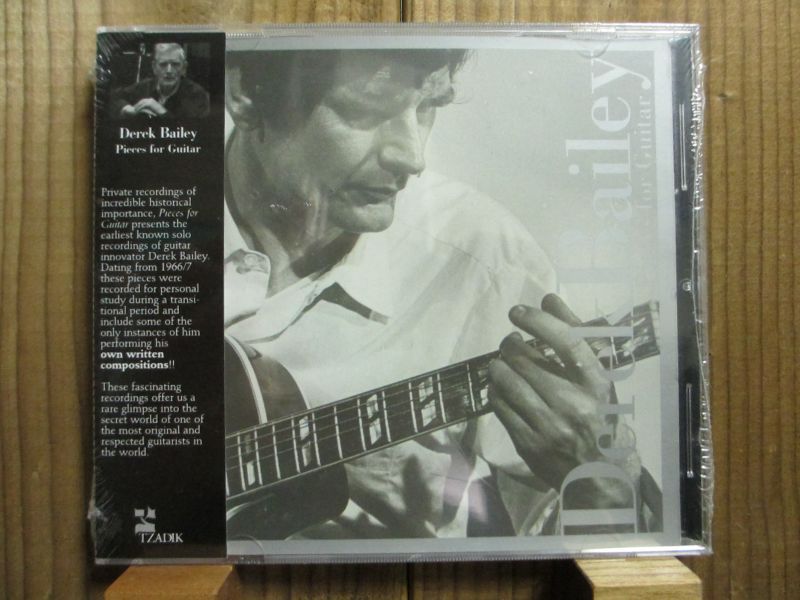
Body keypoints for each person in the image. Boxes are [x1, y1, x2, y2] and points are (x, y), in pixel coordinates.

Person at [223, 49, 645, 540]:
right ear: (246, 94)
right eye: (366, 109)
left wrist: (604, 486)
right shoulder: (152, 217)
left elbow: (591, 533)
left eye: (428, 106)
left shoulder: (487, 263)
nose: (413, 156)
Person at [110, 43, 209, 119]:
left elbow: (191, 131)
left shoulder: (197, 95)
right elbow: (114, 98)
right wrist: (127, 109)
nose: (169, 71)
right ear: (154, 67)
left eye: (175, 64)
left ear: (184, 68)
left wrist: (160, 110)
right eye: (163, 64)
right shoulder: (145, 85)